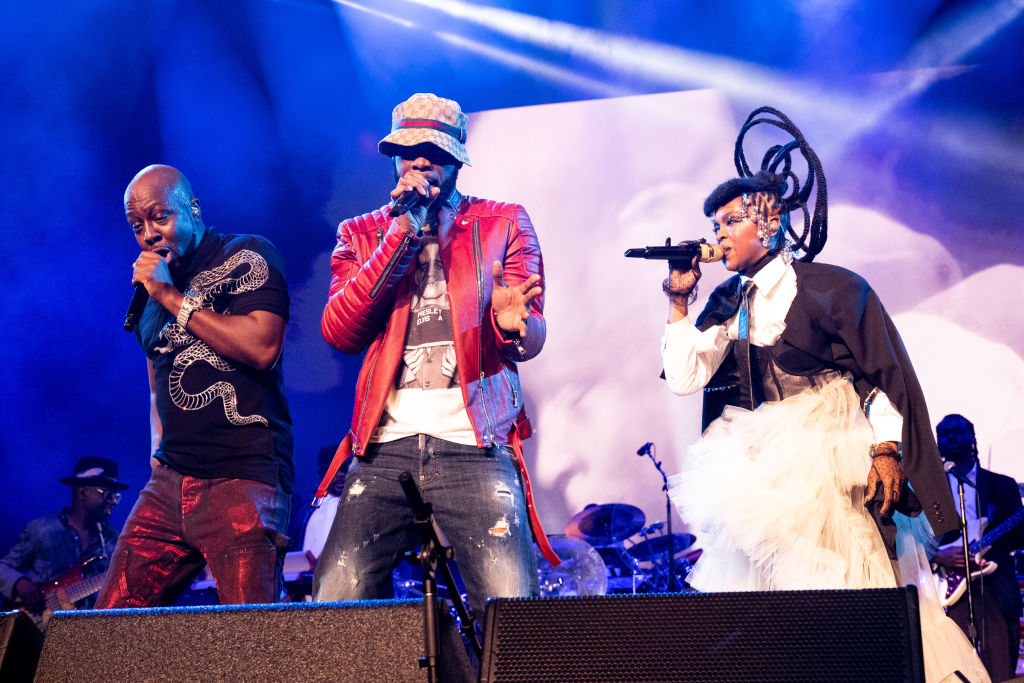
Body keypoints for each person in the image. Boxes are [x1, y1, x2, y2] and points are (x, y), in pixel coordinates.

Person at [661, 108, 985, 681]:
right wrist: (679, 302)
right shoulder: (725, 302)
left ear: (768, 221)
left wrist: (888, 447)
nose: (719, 236)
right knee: (775, 615)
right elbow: (688, 377)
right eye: (715, 226)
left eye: (729, 222)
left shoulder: (835, 288)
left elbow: (881, 375)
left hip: (828, 461)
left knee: (849, 596)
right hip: (763, 472)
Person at [313, 93, 557, 621]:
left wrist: (516, 328)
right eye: (408, 149)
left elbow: (531, 336)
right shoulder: (361, 232)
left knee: (512, 615)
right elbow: (340, 331)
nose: (420, 160)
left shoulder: (504, 222)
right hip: (383, 449)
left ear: (456, 157)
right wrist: (400, 232)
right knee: (332, 611)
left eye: (433, 149)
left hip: (475, 445)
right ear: (395, 157)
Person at [95, 165, 293, 608]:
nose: (148, 234)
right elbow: (155, 384)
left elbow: (262, 347)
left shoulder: (247, 254)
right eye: (137, 225)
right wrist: (156, 457)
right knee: (104, 632)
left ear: (193, 210)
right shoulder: (151, 292)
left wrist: (169, 296)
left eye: (160, 217)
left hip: (243, 477)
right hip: (169, 482)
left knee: (251, 641)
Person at [933, 413, 1024, 682]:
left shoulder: (1001, 485)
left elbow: (1020, 538)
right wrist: (939, 555)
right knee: (955, 668)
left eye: (957, 431)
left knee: (999, 668)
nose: (950, 436)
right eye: (943, 433)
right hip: (945, 588)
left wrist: (998, 537)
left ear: (972, 438)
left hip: (995, 587)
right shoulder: (930, 489)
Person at [0, 457, 126, 626]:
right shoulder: (42, 529)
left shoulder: (114, 542)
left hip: (81, 635)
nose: (112, 501)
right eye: (106, 493)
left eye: (116, 496)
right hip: (35, 629)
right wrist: (20, 583)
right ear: (82, 492)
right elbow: (3, 567)